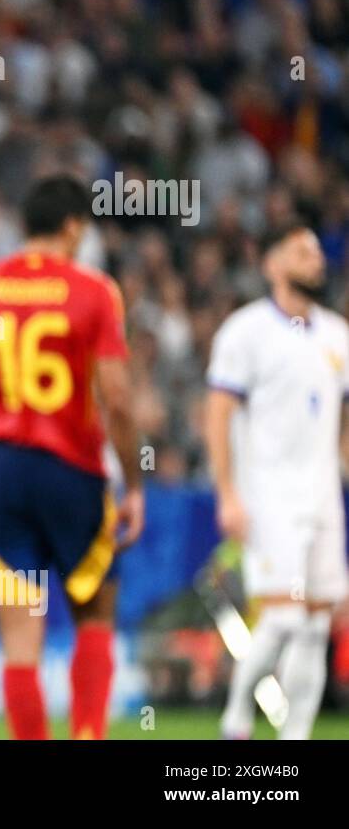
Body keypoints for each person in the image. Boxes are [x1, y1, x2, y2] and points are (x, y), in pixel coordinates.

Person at [0, 175, 143, 739]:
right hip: (72, 468)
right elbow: (119, 400)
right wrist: (136, 485)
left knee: (20, 642)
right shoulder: (95, 290)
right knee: (96, 615)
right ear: (74, 226)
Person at [205, 221, 349, 740]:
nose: (317, 260)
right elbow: (218, 410)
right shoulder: (245, 332)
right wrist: (227, 492)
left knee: (314, 627)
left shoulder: (338, 334)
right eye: (302, 251)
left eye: (317, 250)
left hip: (323, 495)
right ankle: (237, 719)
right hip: (268, 493)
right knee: (284, 619)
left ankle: (295, 740)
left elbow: (342, 415)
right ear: (273, 265)